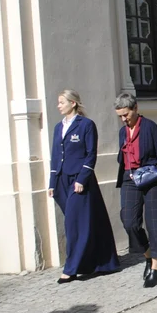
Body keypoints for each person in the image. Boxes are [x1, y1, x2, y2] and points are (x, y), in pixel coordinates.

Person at [48, 91, 120, 283]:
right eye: (58, 102)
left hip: (79, 180)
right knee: (89, 221)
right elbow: (55, 155)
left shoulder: (86, 125)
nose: (58, 106)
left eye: (61, 102)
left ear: (73, 103)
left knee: (73, 224)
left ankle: (70, 269)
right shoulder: (58, 127)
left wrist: (82, 179)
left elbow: (90, 154)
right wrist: (52, 182)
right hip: (62, 180)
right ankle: (103, 262)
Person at [114, 93, 157, 288]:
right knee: (129, 221)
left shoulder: (150, 127)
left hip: (152, 178)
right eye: (120, 116)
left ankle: (156, 268)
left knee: (154, 222)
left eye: (126, 115)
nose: (124, 119)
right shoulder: (123, 131)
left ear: (135, 108)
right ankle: (148, 254)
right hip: (130, 179)